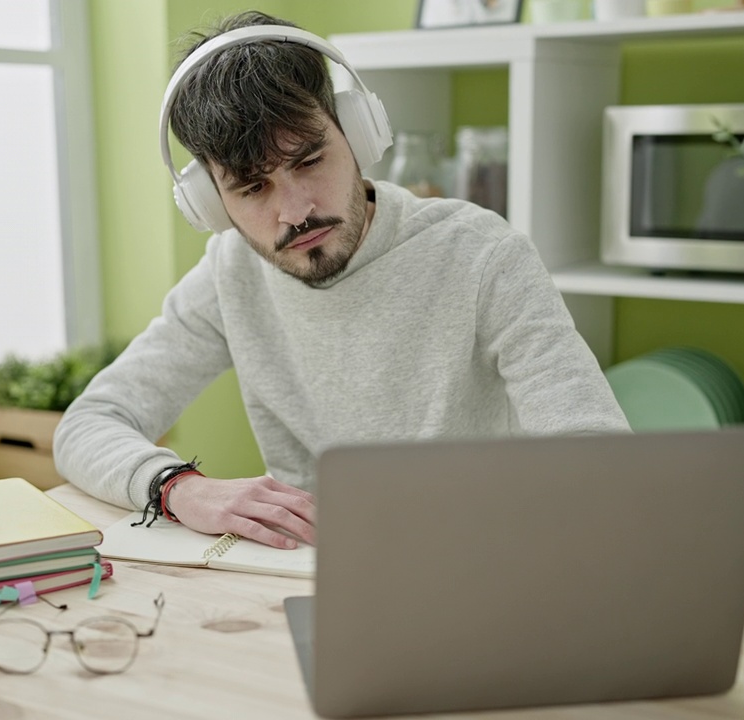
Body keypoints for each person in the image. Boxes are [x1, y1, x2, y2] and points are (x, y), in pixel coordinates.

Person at [55, 10, 629, 550]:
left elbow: (599, 459)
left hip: (474, 560)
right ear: (210, 204)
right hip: (308, 572)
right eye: (253, 188)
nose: (295, 211)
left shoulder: (482, 254)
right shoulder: (229, 273)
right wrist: (179, 488)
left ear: (358, 134)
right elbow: (88, 424)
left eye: (308, 161)